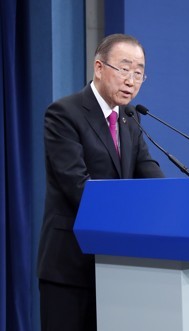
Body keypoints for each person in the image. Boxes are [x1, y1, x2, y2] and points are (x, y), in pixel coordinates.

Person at [37, 34, 165, 331]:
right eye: (124, 68)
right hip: (71, 266)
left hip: (119, 267)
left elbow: (149, 173)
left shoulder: (130, 118)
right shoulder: (64, 114)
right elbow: (79, 188)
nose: (131, 80)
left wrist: (175, 200)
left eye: (139, 72)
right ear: (99, 67)